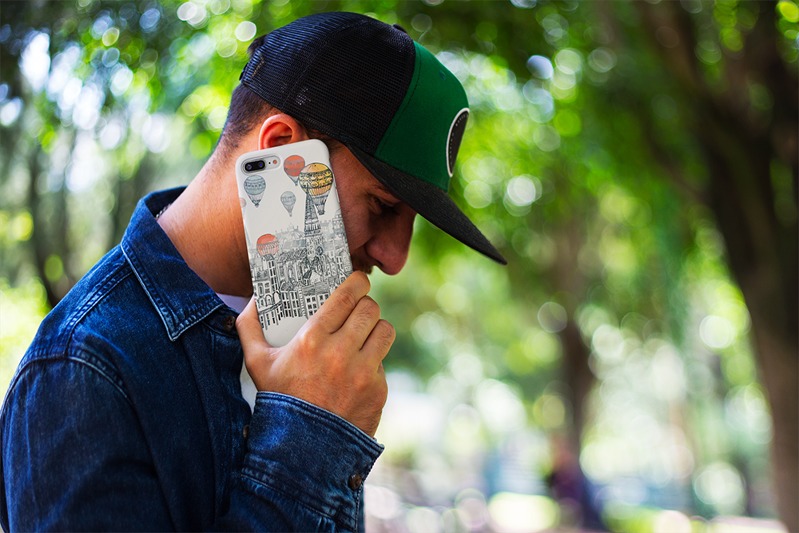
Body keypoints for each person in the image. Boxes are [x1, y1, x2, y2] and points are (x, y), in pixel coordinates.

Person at [0, 11, 506, 531]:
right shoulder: (82, 369)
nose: (395, 258)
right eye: (382, 205)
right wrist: (310, 432)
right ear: (282, 147)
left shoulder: (309, 343)